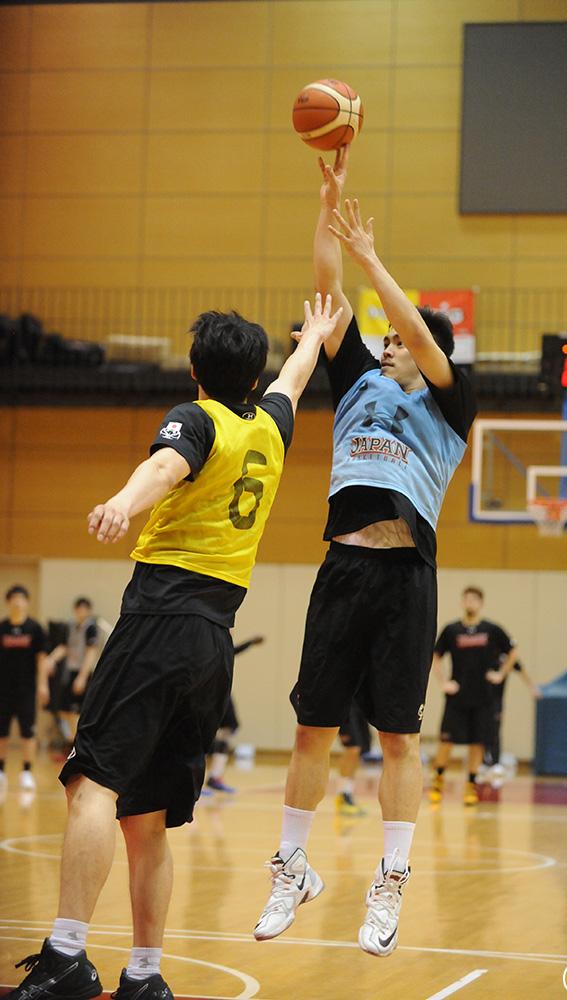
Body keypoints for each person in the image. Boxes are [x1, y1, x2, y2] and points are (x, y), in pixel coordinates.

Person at [6, 293, 342, 1000]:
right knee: (148, 817)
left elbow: (164, 468)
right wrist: (313, 337)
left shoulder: (196, 419)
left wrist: (120, 505)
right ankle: (144, 974)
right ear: (253, 377)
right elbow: (293, 381)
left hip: (159, 620)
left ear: (194, 370)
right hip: (212, 641)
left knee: (92, 784)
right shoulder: (271, 428)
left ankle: (67, 956)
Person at [254, 146, 477, 957]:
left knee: (399, 739)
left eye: (398, 342)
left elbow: (416, 330)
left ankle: (390, 880)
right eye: (382, 339)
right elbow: (328, 293)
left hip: (406, 577)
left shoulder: (452, 405)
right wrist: (328, 205)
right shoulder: (357, 382)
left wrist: (373, 259)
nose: (386, 344)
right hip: (342, 569)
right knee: (311, 728)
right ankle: (291, 867)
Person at [429, 586, 520, 807]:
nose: (470, 603)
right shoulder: (452, 630)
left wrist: (500, 674)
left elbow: (513, 651)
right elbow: (435, 655)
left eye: (474, 599)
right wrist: (443, 682)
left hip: (483, 697)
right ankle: (438, 780)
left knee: (477, 743)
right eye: (467, 599)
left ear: (481, 603)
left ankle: (471, 785)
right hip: (457, 697)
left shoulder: (491, 629)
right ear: (462, 602)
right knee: (446, 741)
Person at [0, 585, 48, 795]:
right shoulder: (2, 628)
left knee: (28, 732)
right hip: (3, 690)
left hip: (26, 690)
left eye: (22, 598)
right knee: (1, 732)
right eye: (14, 598)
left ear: (27, 602)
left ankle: (27, 772)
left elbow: (41, 659)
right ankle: (1, 771)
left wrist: (43, 685)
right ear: (8, 602)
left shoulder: (35, 629)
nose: (18, 602)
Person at [205, 634, 265, 794]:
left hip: (221, 694)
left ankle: (215, 777)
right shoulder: (204, 647)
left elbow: (233, 650)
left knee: (228, 730)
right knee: (201, 737)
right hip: (206, 694)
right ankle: (195, 783)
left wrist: (249, 643)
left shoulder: (221, 648)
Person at [45, 597, 99, 748]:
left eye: (84, 609)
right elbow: (64, 647)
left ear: (88, 611)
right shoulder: (70, 626)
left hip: (84, 673)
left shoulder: (91, 628)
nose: (81, 612)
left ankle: (79, 746)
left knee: (78, 712)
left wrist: (82, 677)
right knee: (64, 710)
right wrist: (51, 659)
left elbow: (91, 653)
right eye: (79, 608)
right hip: (70, 672)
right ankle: (72, 741)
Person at [480, 654, 541, 787]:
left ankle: (495, 763)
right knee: (481, 728)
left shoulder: (506, 656)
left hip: (496, 701)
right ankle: (483, 761)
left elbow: (520, 669)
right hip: (480, 698)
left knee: (495, 729)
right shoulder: (485, 651)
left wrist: (532, 687)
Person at [336, 701, 371, 817]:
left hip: (360, 704)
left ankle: (348, 793)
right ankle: (342, 794)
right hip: (346, 704)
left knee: (359, 750)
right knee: (352, 748)